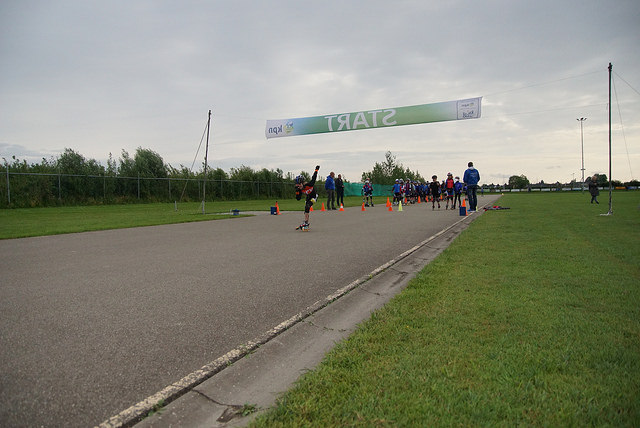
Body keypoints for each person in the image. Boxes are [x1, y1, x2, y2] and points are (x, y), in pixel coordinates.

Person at [295, 165, 320, 229]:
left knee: (308, 206)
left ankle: (306, 223)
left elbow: (314, 177)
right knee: (306, 209)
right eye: (297, 185)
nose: (298, 186)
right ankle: (306, 222)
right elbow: (298, 199)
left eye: (299, 184)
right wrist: (297, 192)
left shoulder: (309, 184)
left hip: (314, 196)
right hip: (308, 197)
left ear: (303, 183)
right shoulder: (299, 189)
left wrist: (316, 170)